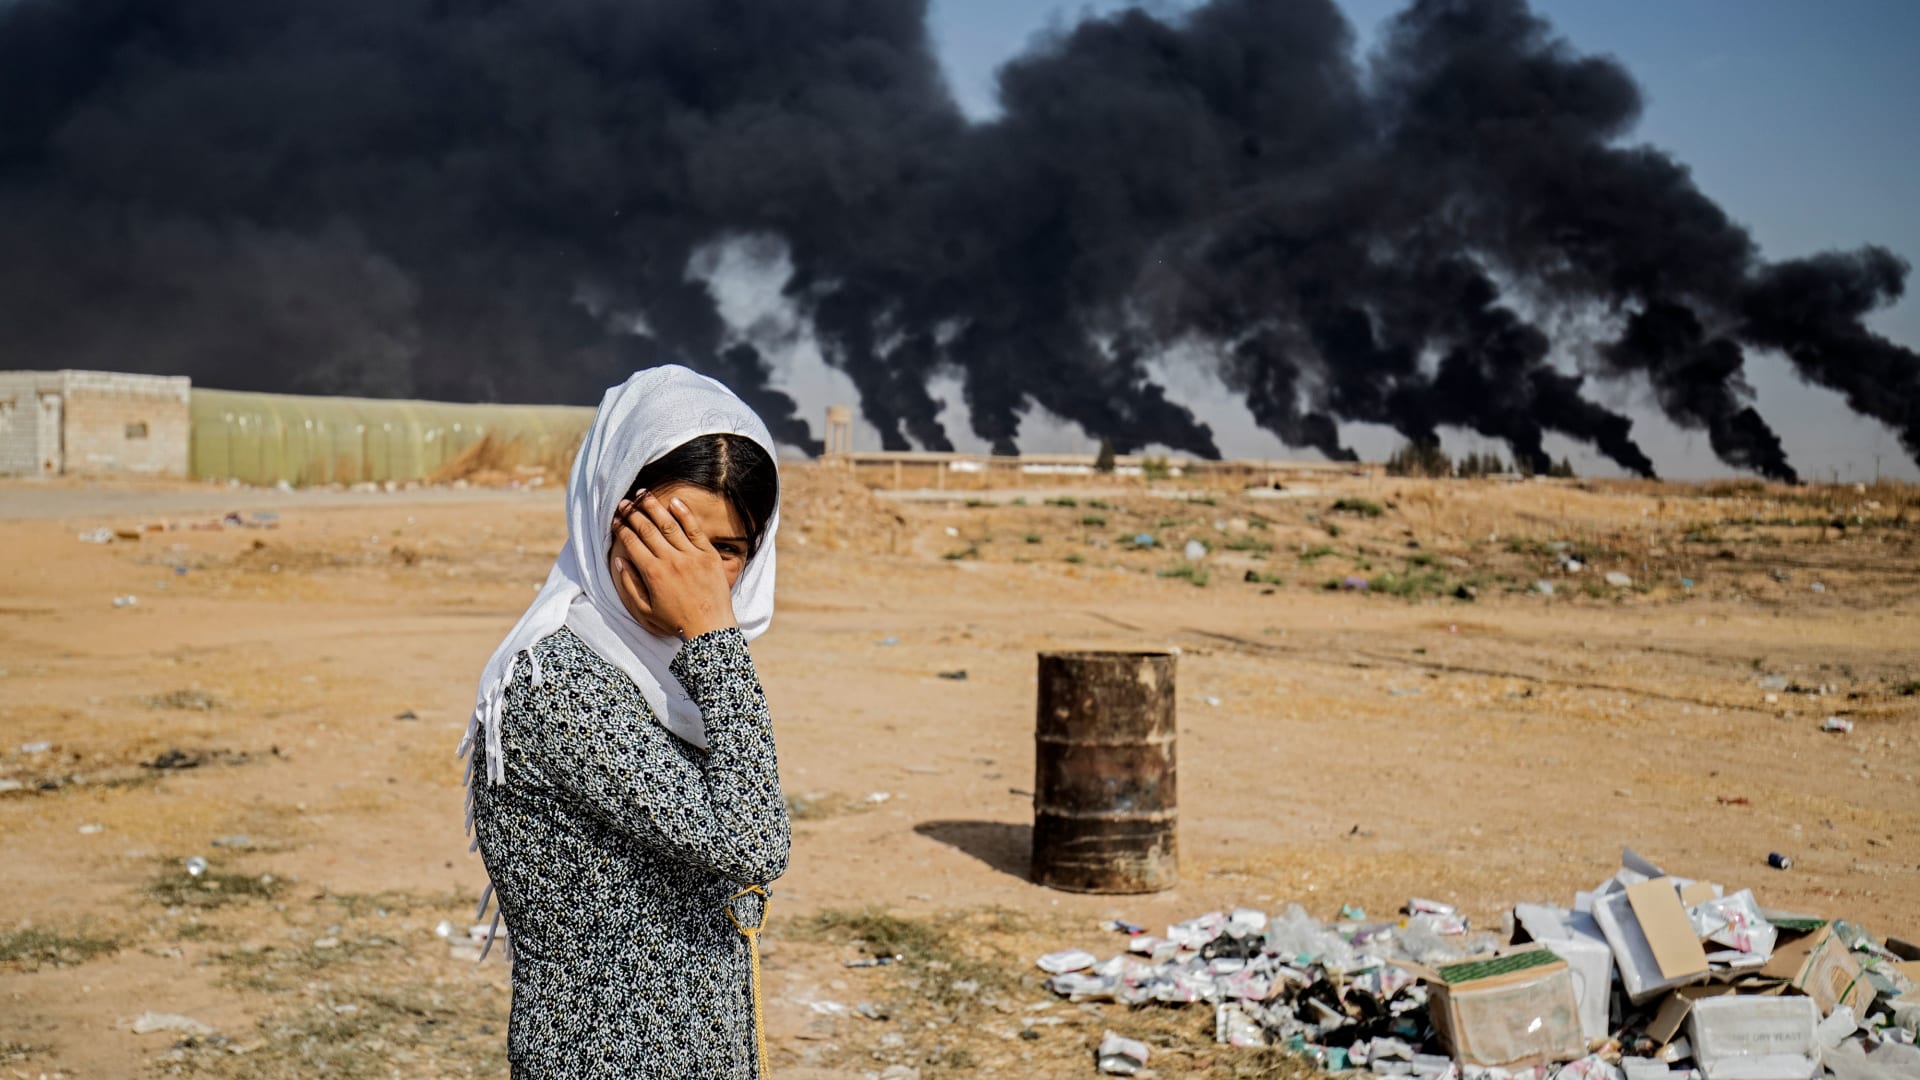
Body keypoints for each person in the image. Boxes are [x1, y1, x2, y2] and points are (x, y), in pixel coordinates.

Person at [459, 365, 791, 1079]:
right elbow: (754, 845)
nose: (686, 575)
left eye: (723, 551)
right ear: (605, 507)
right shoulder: (561, 684)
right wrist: (714, 638)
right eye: (659, 535)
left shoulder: (666, 675)